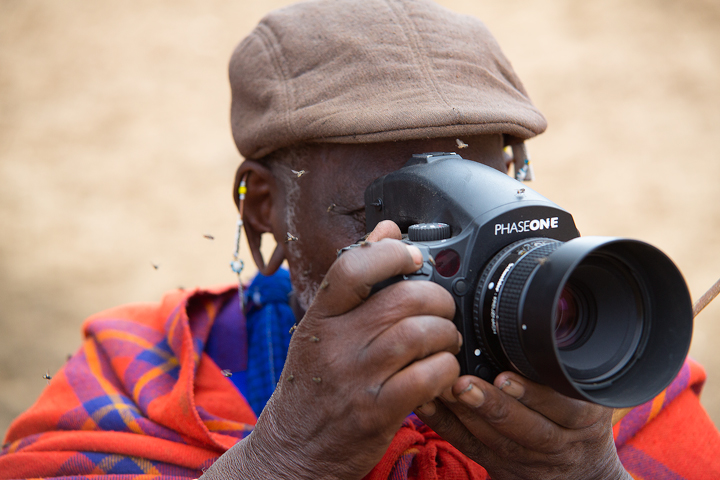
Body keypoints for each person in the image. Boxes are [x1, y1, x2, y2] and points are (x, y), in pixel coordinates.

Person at [2, 0, 719, 479]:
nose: (458, 263)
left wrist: (590, 472)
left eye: (488, 195)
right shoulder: (154, 375)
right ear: (263, 207)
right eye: (397, 213)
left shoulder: (609, 369)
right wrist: (283, 456)